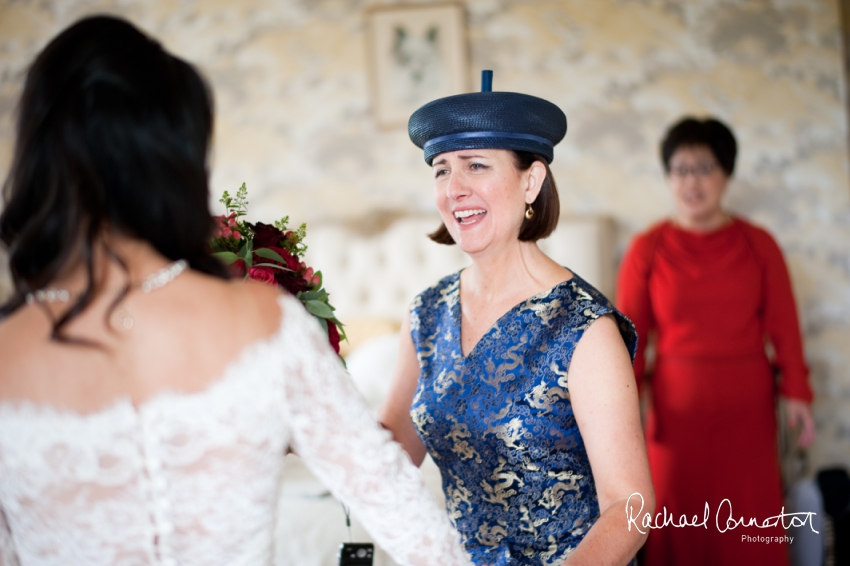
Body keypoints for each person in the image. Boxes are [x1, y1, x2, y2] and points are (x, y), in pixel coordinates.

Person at [0, 16, 473, 566]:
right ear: (178, 157)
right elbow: (420, 531)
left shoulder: (8, 351)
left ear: (38, 158)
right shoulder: (263, 320)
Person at [379, 71, 655, 566]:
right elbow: (389, 456)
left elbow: (630, 507)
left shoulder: (584, 327)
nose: (453, 188)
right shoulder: (426, 313)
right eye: (441, 170)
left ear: (532, 180)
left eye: (475, 165)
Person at [616, 117, 816, 566]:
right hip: (673, 417)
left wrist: (798, 396)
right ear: (668, 176)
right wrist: (622, 412)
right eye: (681, 169)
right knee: (674, 521)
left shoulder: (759, 244)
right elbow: (630, 340)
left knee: (749, 527)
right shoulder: (646, 249)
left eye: (704, 167)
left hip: (747, 417)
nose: (692, 180)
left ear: (726, 173)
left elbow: (784, 327)